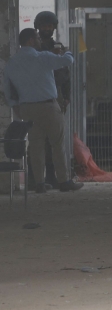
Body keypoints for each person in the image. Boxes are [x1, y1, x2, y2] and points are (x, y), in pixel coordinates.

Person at [3, 27, 83, 193]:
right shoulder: (43, 57)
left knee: (35, 146)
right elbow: (67, 62)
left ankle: (39, 183)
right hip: (48, 107)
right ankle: (64, 181)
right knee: (57, 144)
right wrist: (66, 52)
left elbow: (7, 89)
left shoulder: (12, 62)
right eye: (37, 38)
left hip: (26, 109)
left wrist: (15, 106)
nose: (40, 40)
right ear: (31, 40)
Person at [33, 11, 67, 189]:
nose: (47, 29)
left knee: (54, 141)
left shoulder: (59, 47)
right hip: (37, 97)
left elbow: (65, 75)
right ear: (37, 27)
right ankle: (36, 180)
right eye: (44, 26)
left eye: (50, 25)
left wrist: (66, 98)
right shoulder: (33, 48)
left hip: (55, 96)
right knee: (36, 141)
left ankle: (53, 177)